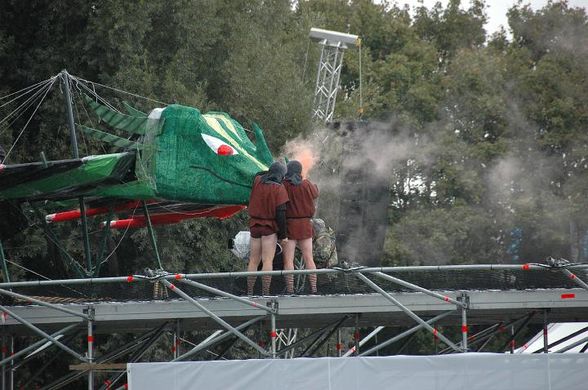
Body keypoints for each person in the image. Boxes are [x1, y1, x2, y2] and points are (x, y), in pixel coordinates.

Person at [247, 161, 289, 295]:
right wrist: (283, 236)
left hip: (254, 226)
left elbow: (259, 173)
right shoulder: (279, 188)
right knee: (267, 261)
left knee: (253, 261)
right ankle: (265, 292)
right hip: (269, 229)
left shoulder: (258, 181)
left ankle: (249, 291)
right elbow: (281, 214)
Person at [282, 160, 319, 294]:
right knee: (309, 258)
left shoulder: (284, 185)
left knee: (288, 260)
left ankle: (291, 290)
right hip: (305, 225)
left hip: (289, 225)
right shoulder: (306, 184)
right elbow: (316, 193)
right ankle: (314, 288)